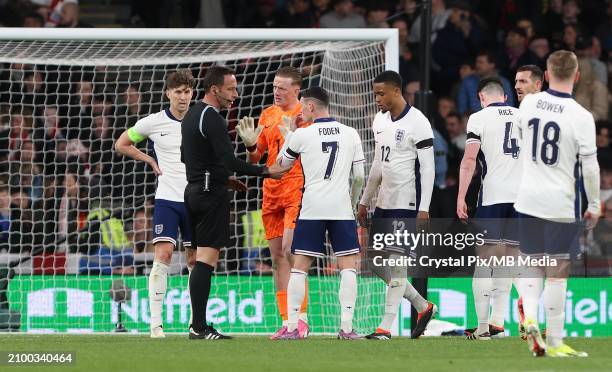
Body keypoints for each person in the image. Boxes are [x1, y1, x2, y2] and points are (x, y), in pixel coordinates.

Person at [181, 66, 281, 340]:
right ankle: (199, 327)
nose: (235, 95)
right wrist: (266, 170)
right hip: (210, 195)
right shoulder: (212, 118)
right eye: (230, 89)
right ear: (215, 89)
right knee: (205, 262)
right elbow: (228, 161)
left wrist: (224, 180)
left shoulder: (191, 115)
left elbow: (188, 157)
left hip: (194, 190)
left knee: (200, 260)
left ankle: (197, 325)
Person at [516, 50, 600, 357]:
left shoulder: (528, 103)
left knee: (529, 263)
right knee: (556, 270)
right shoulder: (581, 116)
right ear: (576, 76)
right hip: (560, 202)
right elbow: (590, 168)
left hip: (526, 198)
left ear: (547, 76)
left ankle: (532, 319)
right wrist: (595, 204)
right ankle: (554, 342)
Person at [269, 86, 365, 340]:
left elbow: (280, 167)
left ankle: (292, 328)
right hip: (341, 207)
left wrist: (289, 137)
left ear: (311, 107)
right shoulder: (350, 133)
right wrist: (352, 202)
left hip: (312, 206)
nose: (300, 111)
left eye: (302, 107)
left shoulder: (302, 135)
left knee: (300, 267)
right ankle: (346, 329)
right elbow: (359, 178)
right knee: (348, 267)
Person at [115, 69, 196, 338]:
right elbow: (122, 143)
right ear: (168, 93)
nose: (183, 97)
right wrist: (148, 159)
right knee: (162, 256)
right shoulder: (153, 122)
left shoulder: (201, 120)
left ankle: (197, 323)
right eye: (178, 92)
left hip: (195, 200)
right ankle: (156, 325)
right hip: (167, 199)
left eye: (187, 91)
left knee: (195, 261)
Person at [357, 71, 437, 340]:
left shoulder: (419, 122)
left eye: (381, 94)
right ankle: (423, 306)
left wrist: (423, 207)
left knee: (397, 263)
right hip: (384, 202)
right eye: (375, 94)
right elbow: (378, 165)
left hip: (407, 202)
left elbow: (428, 169)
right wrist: (364, 200)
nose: (377, 99)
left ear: (396, 91)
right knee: (377, 264)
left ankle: (385, 327)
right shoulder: (379, 120)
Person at [236, 66, 310, 339]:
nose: (276, 92)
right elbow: (256, 159)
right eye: (274, 86)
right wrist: (250, 145)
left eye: (282, 87)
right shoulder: (268, 114)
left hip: (297, 189)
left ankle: (301, 319)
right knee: (277, 256)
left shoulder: (307, 116)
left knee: (292, 251)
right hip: (271, 191)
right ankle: (288, 321)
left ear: (296, 89)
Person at [456, 77, 521, 340]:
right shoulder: (522, 115)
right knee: (508, 261)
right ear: (505, 97)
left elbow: (469, 159)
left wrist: (461, 196)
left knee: (485, 262)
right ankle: (498, 323)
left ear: (482, 98)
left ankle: (483, 327)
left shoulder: (478, 118)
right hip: (521, 199)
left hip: (493, 197)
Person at [513, 64, 543, 340]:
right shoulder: (522, 111)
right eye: (516, 81)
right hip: (525, 195)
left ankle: (526, 306)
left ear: (538, 84)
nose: (517, 86)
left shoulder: (530, 110)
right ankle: (527, 309)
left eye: (523, 81)